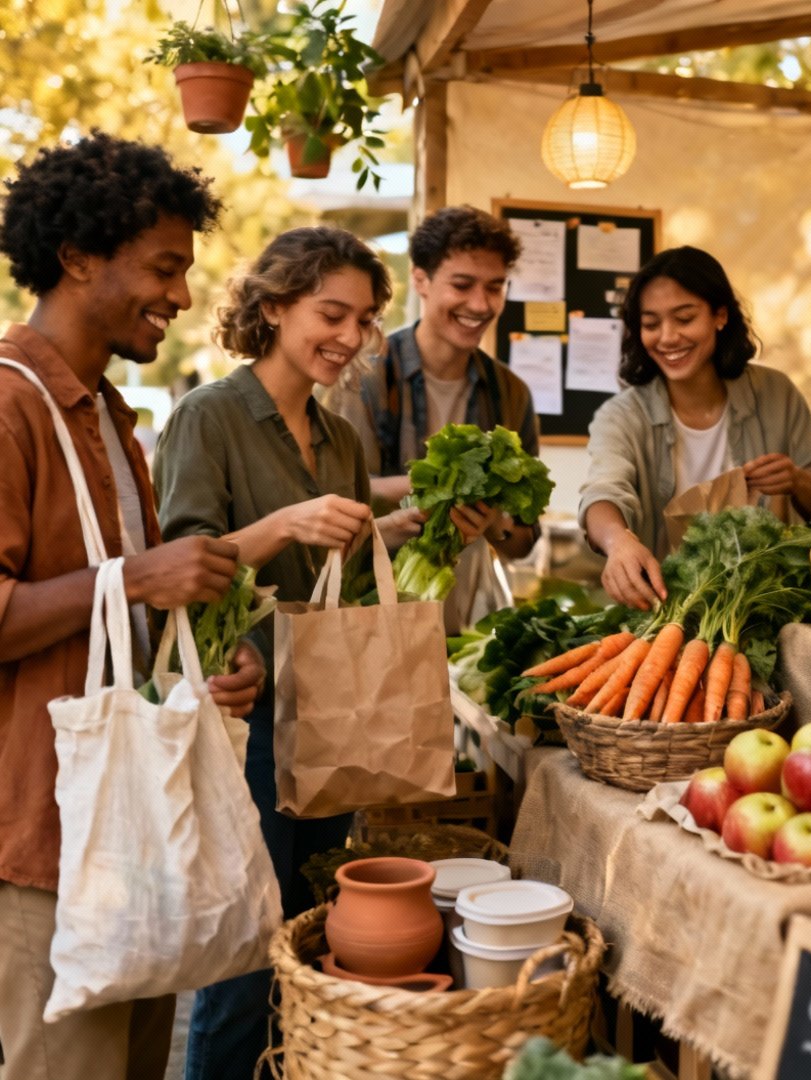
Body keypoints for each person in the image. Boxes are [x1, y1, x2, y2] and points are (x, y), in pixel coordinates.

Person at [0, 133, 264, 1080]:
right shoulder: (9, 405)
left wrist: (197, 658)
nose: (182, 295)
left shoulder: (107, 413)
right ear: (77, 258)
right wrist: (138, 580)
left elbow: (118, 617)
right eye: (162, 267)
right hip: (45, 842)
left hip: (126, 827)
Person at [152, 226, 418, 1080]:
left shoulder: (341, 440)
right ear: (272, 307)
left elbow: (346, 578)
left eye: (363, 320)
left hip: (330, 717)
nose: (349, 336)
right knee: (245, 957)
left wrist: (397, 532)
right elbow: (178, 567)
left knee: (310, 939)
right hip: (246, 724)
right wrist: (283, 525)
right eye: (330, 314)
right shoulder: (209, 417)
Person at [580, 245, 811, 610]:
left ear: (720, 315)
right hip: (661, 615)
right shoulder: (622, 415)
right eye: (651, 324)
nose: (667, 337)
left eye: (684, 319)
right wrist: (618, 541)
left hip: (767, 611)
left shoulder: (776, 394)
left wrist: (797, 480)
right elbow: (603, 491)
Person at [324, 205, 541, 630]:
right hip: (372, 616)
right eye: (462, 285)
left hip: (469, 622)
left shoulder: (511, 393)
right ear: (420, 280)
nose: (480, 304)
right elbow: (335, 501)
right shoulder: (364, 377)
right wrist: (437, 489)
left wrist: (494, 523)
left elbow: (524, 542)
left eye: (495, 287)